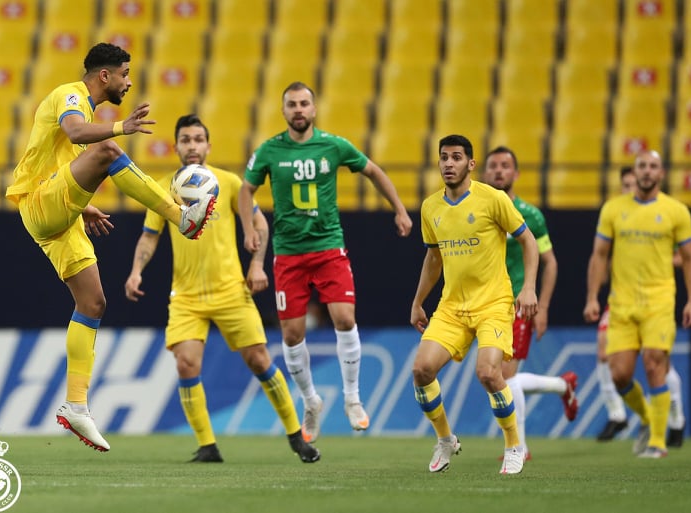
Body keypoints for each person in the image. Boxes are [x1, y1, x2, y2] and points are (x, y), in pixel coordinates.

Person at [4, 43, 215, 452]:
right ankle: (180, 216)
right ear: (106, 76)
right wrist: (121, 127)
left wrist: (83, 207)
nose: (129, 81)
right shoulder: (70, 96)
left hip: (59, 216)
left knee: (93, 303)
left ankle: (76, 405)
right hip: (38, 203)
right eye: (125, 73)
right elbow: (77, 133)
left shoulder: (85, 109)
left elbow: (62, 161)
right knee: (108, 149)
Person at [124, 114, 319, 463]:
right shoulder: (162, 188)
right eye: (186, 139)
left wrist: (257, 265)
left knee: (259, 359)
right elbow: (149, 237)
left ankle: (296, 436)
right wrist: (136, 270)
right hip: (185, 296)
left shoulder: (228, 183)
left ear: (208, 146)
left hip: (230, 290)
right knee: (185, 364)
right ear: (176, 147)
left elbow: (260, 223)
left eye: (198, 139)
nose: (193, 146)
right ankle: (208, 446)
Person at [238, 81, 413, 443]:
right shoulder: (270, 150)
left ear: (314, 109)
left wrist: (399, 209)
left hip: (328, 247)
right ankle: (311, 401)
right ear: (283, 110)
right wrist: (248, 229)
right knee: (291, 333)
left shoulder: (334, 146)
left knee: (345, 318)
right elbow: (245, 190)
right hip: (288, 253)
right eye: (292, 104)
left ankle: (352, 398)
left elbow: (374, 171)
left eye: (304, 103)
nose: (298, 109)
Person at [410, 134, 539, 474]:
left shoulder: (492, 199)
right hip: (452, 307)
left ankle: (514, 444)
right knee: (421, 371)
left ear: (470, 163)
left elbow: (529, 242)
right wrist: (418, 301)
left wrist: (529, 288)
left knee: (488, 373)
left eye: (456, 157)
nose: (448, 163)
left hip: (494, 304)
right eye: (443, 157)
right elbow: (433, 258)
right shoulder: (430, 207)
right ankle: (445, 440)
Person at [583, 150, 691, 458]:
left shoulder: (676, 211)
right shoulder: (613, 209)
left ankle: (658, 443)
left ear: (661, 174)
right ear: (634, 173)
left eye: (653, 167)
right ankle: (649, 419)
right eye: (642, 166)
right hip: (621, 302)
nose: (647, 172)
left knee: (654, 362)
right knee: (620, 374)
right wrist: (593, 296)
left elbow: (690, 259)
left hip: (659, 300)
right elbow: (599, 255)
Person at [482, 146, 576, 460]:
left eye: (505, 165)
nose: (498, 171)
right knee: (493, 377)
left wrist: (542, 305)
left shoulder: (530, 215)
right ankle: (563, 387)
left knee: (503, 377)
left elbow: (550, 262)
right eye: (493, 165)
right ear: (484, 173)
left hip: (517, 306)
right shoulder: (478, 211)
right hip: (484, 306)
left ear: (516, 174)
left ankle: (519, 447)